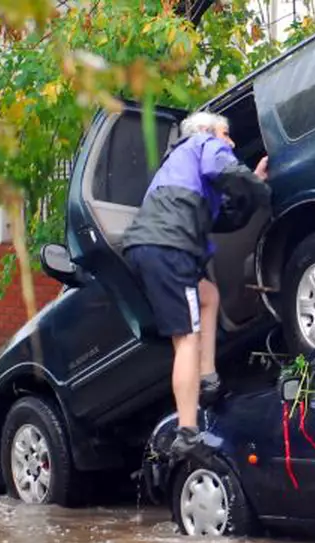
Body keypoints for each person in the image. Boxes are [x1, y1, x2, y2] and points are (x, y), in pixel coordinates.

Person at [120, 111, 270, 456]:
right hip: (171, 248)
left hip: (152, 247)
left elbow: (228, 218)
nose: (230, 142)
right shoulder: (202, 143)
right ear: (208, 131)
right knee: (186, 337)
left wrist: (254, 183)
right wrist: (256, 187)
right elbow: (226, 169)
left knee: (208, 295)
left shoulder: (180, 167)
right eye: (226, 134)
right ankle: (187, 431)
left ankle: (207, 376)